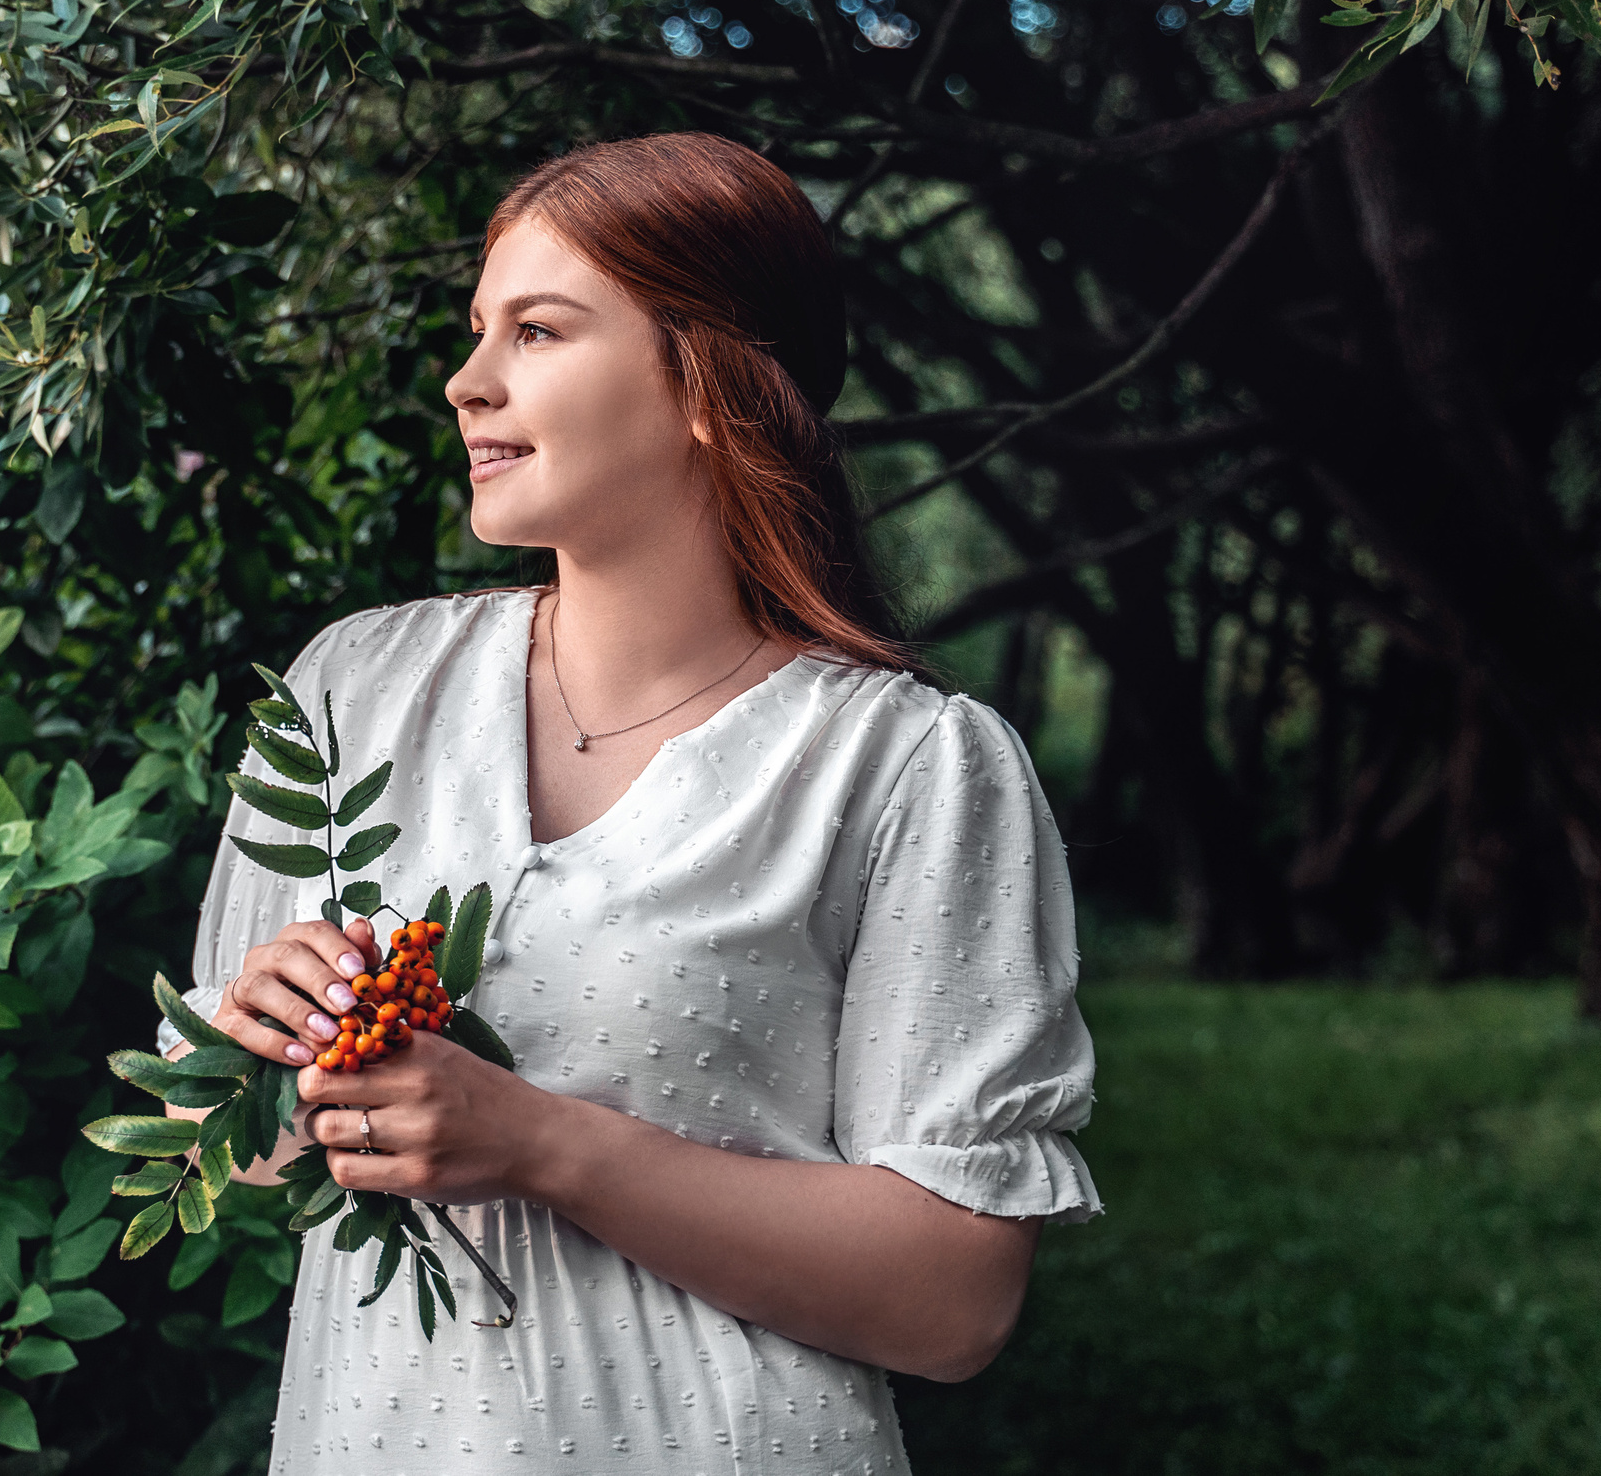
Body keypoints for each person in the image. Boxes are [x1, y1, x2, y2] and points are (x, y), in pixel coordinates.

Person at [162, 132, 1100, 1473]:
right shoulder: (354, 693)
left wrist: (545, 1144)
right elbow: (214, 1139)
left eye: (538, 332)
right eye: (478, 332)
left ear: (713, 383)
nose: (467, 382)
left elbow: (955, 1302)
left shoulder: (910, 768)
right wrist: (266, 1052)